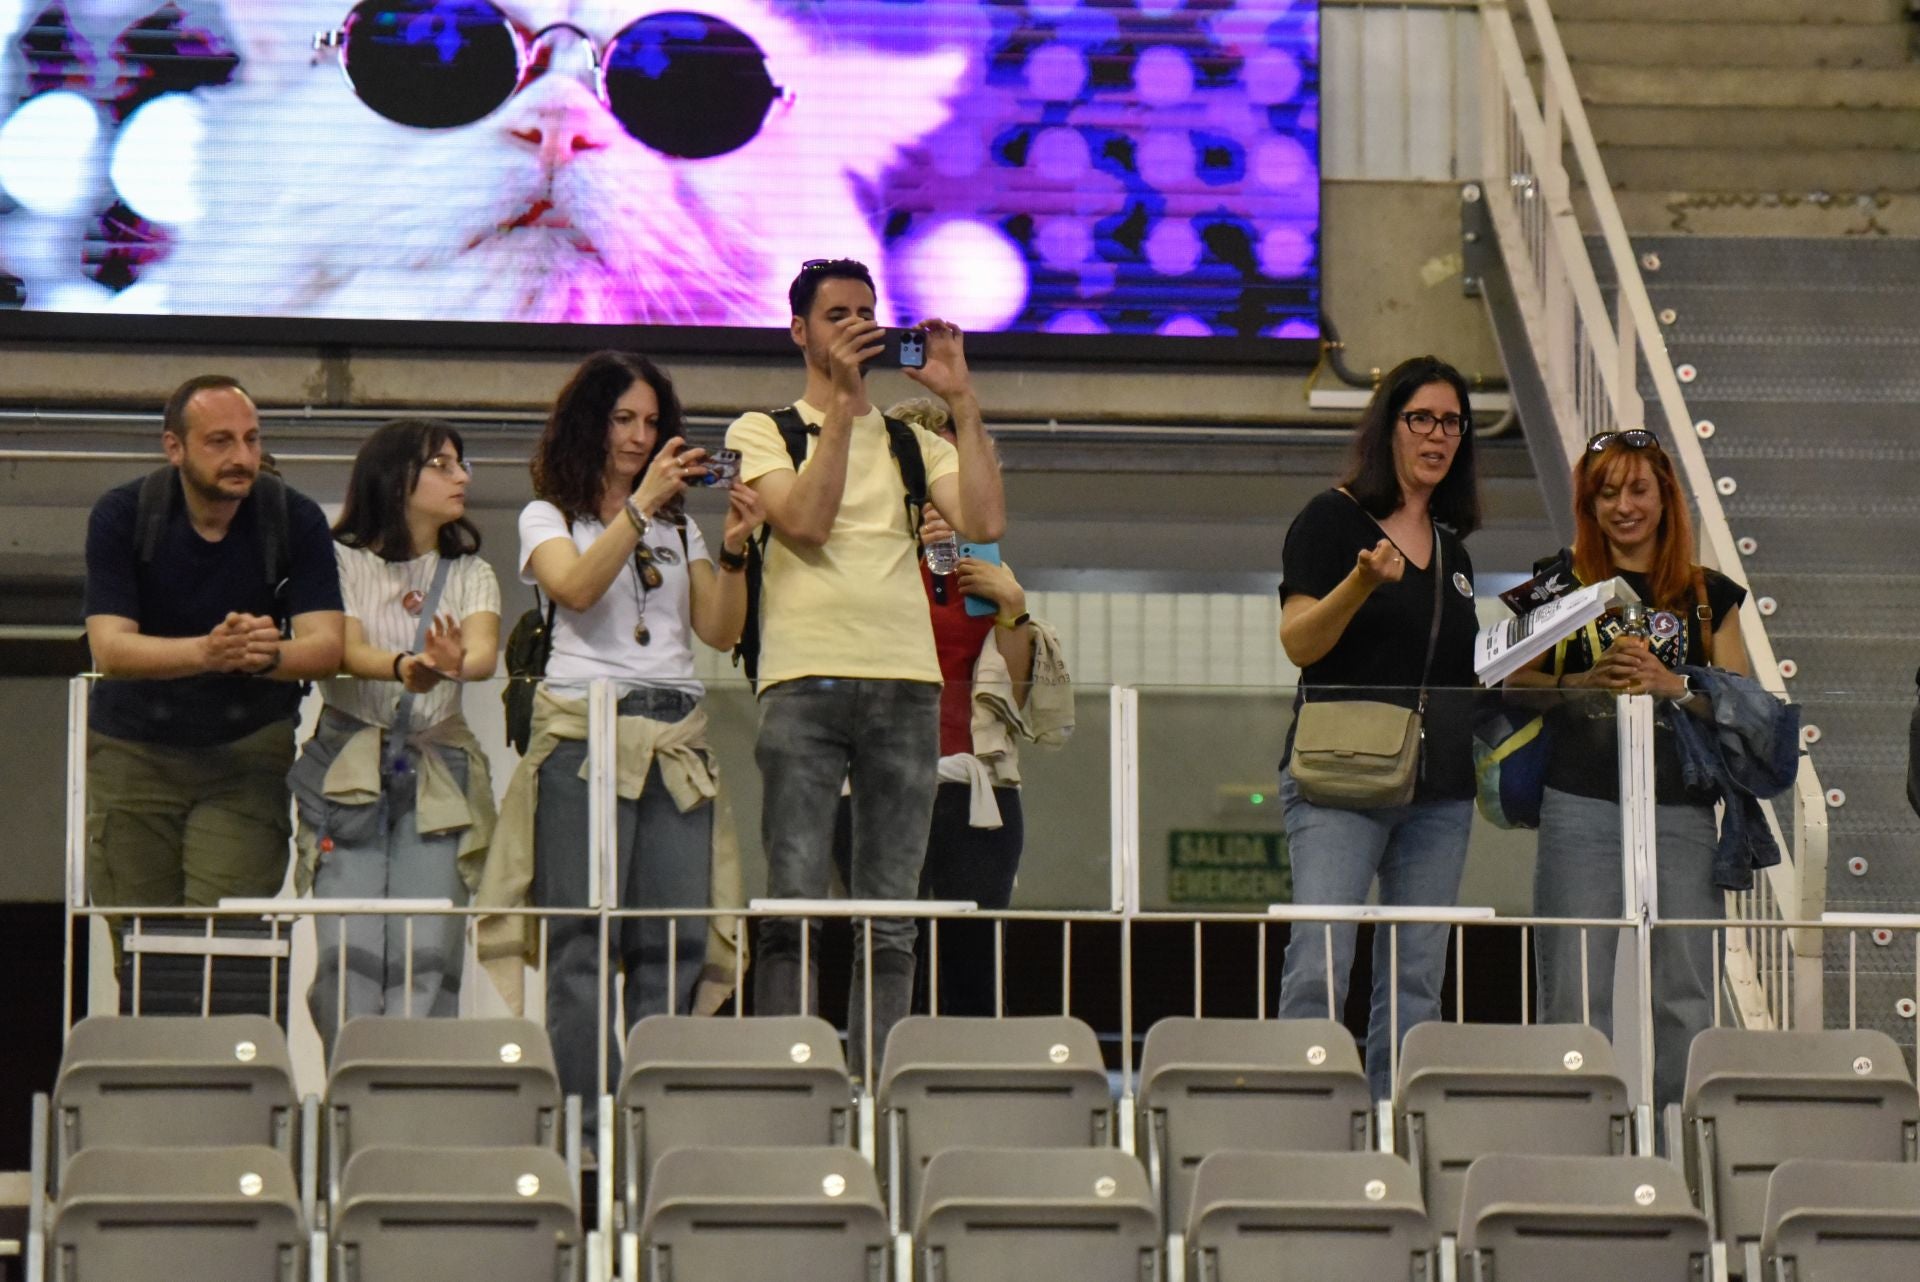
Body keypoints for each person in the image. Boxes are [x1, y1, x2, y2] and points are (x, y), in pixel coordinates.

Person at [726, 258, 1005, 1071]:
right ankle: (788, 1074)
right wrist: (846, 408)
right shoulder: (763, 431)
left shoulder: (917, 443)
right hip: (802, 682)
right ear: (800, 331)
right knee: (793, 897)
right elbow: (807, 522)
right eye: (837, 314)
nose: (855, 326)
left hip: (907, 684)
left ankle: (880, 1087)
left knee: (893, 909)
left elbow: (985, 520)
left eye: (865, 314)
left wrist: (960, 399)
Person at [488, 351, 763, 1116]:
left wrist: (735, 546)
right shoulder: (547, 515)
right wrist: (635, 511)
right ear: (591, 425)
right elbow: (573, 588)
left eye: (652, 423)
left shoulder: (681, 528)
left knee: (670, 941)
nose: (640, 437)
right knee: (580, 944)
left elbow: (717, 627)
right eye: (623, 420)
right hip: (585, 734)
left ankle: (651, 1129)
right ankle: (585, 1131)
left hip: (674, 732)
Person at [1507, 428, 1748, 1114]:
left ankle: (1682, 1152)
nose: (1624, 506)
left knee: (1687, 988)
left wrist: (1673, 684)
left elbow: (1744, 701)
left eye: (1638, 489)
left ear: (1666, 498)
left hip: (1683, 808)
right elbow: (1504, 680)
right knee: (1572, 986)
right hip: (1578, 803)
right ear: (1588, 503)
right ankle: (1575, 1146)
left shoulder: (1710, 594)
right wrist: (1586, 681)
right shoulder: (1557, 584)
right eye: (1606, 492)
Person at [1274, 355, 1483, 1100]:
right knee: (1321, 956)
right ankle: (1307, 1118)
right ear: (1388, 427)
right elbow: (1298, 642)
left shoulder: (1454, 548)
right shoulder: (1332, 519)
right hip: (1343, 774)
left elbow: (1456, 670)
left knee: (1418, 973)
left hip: (1439, 787)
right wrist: (1361, 581)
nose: (1438, 435)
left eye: (1453, 422)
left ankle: (1398, 1129)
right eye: (1420, 418)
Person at [831, 397, 1074, 1017]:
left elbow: (1018, 699)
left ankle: (965, 1098)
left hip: (977, 787)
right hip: (878, 785)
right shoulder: (859, 556)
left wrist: (1012, 608)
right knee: (883, 956)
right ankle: (878, 1093)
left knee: (971, 962)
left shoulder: (982, 565)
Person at [83, 374, 344, 916]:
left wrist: (264, 655)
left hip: (246, 751)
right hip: (133, 751)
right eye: (220, 441)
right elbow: (109, 649)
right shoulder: (124, 514)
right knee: (140, 941)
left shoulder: (293, 516)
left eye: (251, 439)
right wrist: (208, 652)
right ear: (174, 447)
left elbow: (326, 647)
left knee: (224, 943)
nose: (242, 456)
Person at [287, 419, 501, 1051]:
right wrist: (409, 666)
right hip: (348, 769)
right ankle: (352, 1108)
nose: (460, 477)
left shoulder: (470, 572)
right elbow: (342, 649)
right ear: (394, 476)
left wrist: (453, 661)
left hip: (437, 771)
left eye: (461, 464)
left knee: (428, 951)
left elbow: (483, 654)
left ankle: (420, 1106)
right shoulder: (336, 560)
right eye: (442, 464)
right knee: (345, 957)